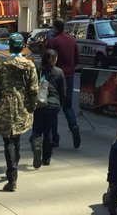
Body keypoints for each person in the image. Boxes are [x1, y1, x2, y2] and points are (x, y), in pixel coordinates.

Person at [0, 33, 37, 192]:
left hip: (5, 108)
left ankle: (12, 176)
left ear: (9, 47)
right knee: (17, 138)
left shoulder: (2, 66)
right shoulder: (29, 66)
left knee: (8, 141)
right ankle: (15, 165)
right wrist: (32, 107)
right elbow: (34, 90)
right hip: (22, 107)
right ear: (22, 47)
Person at [45, 18, 81, 149]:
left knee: (54, 107)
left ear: (55, 28)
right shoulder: (72, 40)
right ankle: (74, 126)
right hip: (69, 76)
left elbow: (47, 58)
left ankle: (55, 139)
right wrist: (70, 68)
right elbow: (77, 58)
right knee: (68, 106)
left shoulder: (53, 42)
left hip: (56, 76)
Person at [30, 48, 66, 168]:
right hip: (54, 104)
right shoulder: (59, 72)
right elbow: (63, 91)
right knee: (49, 131)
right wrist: (61, 104)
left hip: (40, 103)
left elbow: (31, 86)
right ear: (54, 59)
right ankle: (47, 158)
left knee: (37, 129)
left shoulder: (38, 70)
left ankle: (36, 147)